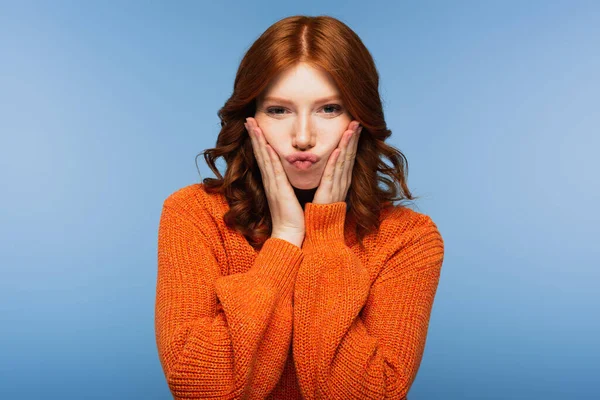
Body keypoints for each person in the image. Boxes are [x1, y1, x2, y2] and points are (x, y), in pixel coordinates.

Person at [155, 15, 445, 400]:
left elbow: (371, 395)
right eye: (279, 110)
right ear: (249, 118)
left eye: (329, 109)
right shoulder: (193, 214)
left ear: (359, 118)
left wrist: (324, 239)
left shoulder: (408, 239)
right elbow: (201, 389)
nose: (303, 137)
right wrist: (285, 241)